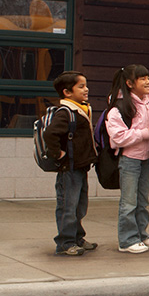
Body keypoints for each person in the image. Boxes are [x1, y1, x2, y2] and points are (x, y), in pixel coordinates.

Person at [106, 65, 149, 254]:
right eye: (142, 79)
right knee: (128, 202)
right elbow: (118, 137)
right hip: (129, 160)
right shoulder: (119, 107)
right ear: (130, 83)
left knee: (142, 200)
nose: (148, 82)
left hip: (145, 158)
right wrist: (144, 134)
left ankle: (141, 234)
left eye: (148, 77)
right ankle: (127, 240)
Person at [45, 71, 98, 256]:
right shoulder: (66, 112)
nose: (86, 89)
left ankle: (77, 237)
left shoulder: (80, 109)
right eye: (81, 86)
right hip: (69, 169)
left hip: (80, 167)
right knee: (68, 206)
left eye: (86, 85)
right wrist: (58, 154)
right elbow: (50, 134)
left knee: (79, 206)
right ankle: (65, 242)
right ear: (67, 92)